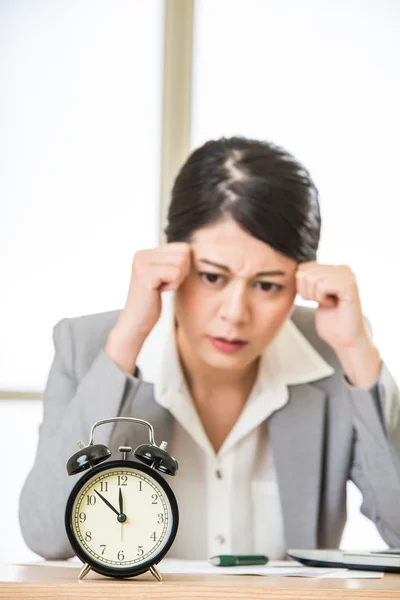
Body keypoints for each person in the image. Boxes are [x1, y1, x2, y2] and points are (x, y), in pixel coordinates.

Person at [19, 136, 400, 561]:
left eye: (268, 285)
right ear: (171, 255)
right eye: (213, 277)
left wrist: (357, 354)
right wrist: (126, 342)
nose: (235, 314)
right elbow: (45, 534)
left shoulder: (334, 354)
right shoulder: (88, 348)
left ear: (301, 281)